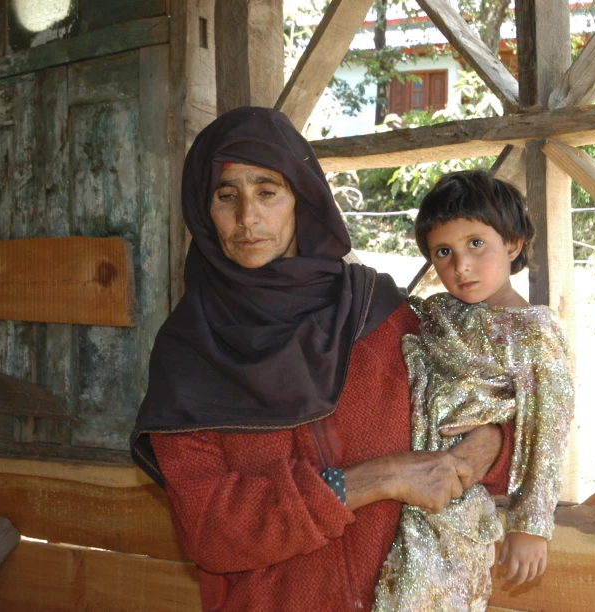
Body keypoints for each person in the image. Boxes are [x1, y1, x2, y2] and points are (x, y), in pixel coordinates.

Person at [129, 107, 514, 611]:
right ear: (204, 211)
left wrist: (490, 441)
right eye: (226, 197)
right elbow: (210, 531)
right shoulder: (187, 354)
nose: (248, 217)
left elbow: (480, 403)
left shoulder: (378, 313)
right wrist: (377, 479)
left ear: (302, 198)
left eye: (268, 192)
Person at [374, 171, 575, 610]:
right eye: (443, 252)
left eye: (476, 244)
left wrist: (530, 526)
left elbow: (547, 429)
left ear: (514, 244)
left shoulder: (534, 332)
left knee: (430, 595)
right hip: (401, 490)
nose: (460, 265)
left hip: (458, 504)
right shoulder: (436, 314)